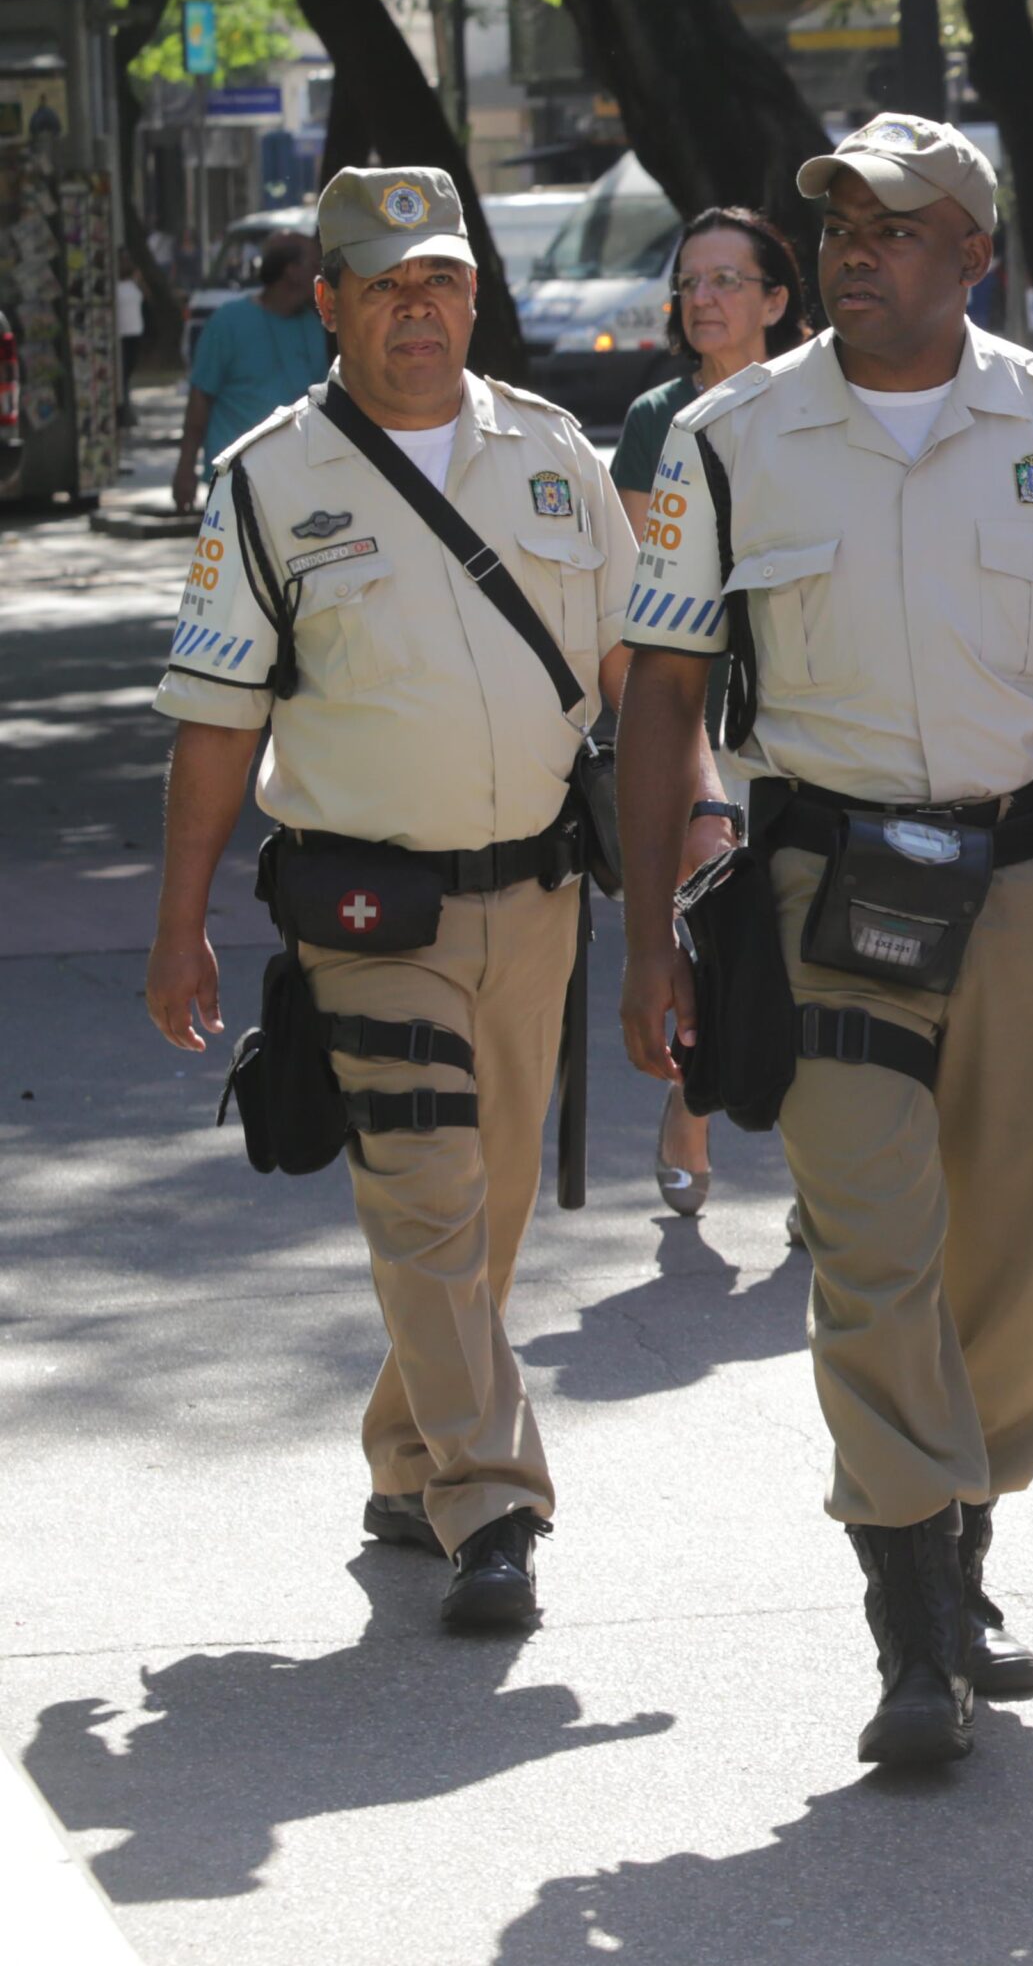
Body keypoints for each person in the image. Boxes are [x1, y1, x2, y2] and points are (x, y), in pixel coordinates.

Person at [614, 115, 1033, 1769]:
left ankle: (963, 1543)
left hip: (1025, 886)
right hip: (820, 895)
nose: (860, 250)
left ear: (975, 252)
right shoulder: (730, 437)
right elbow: (664, 693)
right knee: (872, 1242)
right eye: (843, 224)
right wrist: (649, 941)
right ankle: (911, 1626)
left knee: (1006, 1268)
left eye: (899, 225)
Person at [143, 167, 720, 1630]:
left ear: (475, 296)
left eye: (443, 279)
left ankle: (407, 1458)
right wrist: (177, 922)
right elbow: (216, 722)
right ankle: (493, 1504)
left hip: (533, 894)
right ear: (327, 301)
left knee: (495, 1206)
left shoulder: (553, 455)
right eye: (385, 282)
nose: (420, 306)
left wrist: (697, 820)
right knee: (427, 1189)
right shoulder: (269, 479)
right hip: (363, 914)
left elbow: (634, 679)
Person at [609, 205, 812, 1218]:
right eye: (691, 281)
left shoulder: (824, 409)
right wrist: (689, 776)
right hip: (706, 720)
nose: (704, 299)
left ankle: (826, 1174)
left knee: (819, 938)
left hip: (812, 715)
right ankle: (690, 1107)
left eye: (729, 280)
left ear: (777, 302)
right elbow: (651, 627)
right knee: (709, 933)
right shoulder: (659, 422)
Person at [172, 230, 330, 514]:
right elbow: (200, 397)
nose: (322, 273)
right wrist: (186, 468)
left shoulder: (315, 325)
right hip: (237, 476)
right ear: (291, 271)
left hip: (297, 478)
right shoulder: (228, 322)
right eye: (315, 265)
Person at [116, 253, 146, 427]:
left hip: (133, 333)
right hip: (124, 334)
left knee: (127, 373)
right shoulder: (121, 288)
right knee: (124, 374)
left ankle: (126, 407)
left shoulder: (133, 285)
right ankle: (124, 409)